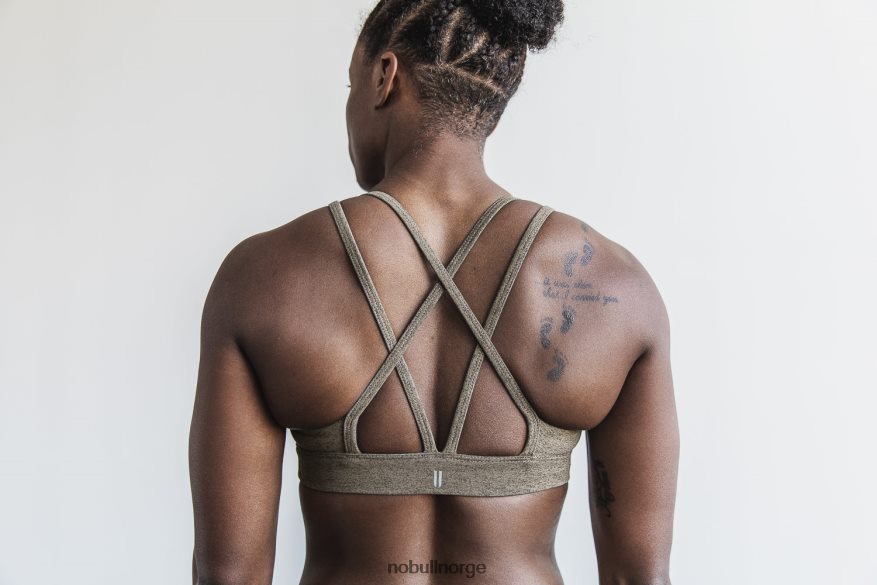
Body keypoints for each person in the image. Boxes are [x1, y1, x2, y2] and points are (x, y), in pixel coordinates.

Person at [189, 0, 679, 583]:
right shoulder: (617, 288)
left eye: (351, 83)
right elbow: (638, 578)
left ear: (384, 76)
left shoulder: (261, 278)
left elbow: (230, 577)